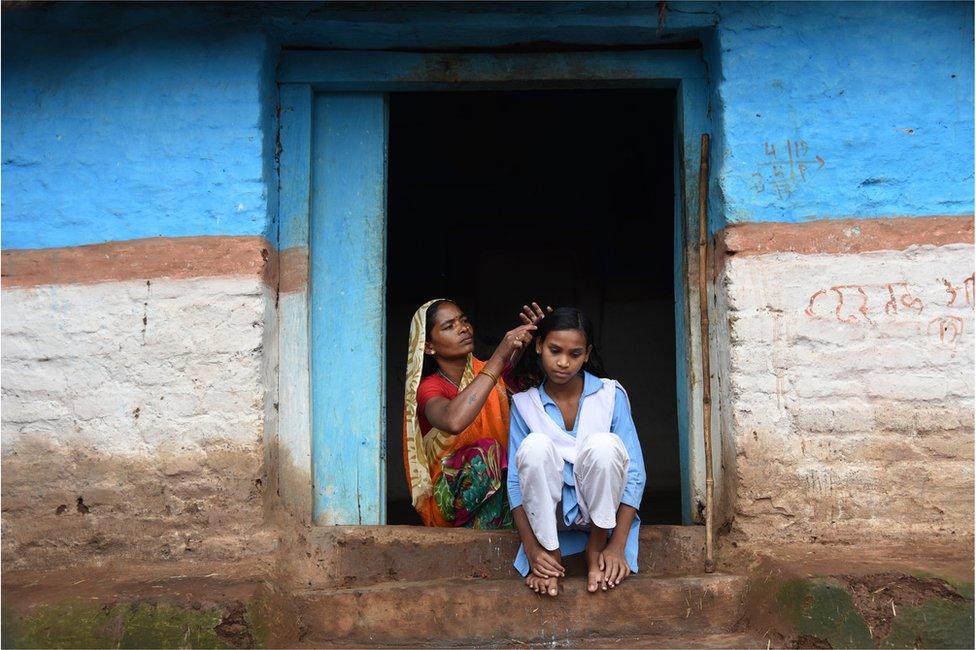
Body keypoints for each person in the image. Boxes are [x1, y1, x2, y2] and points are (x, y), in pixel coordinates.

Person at [507, 307, 646, 596]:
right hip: (549, 521)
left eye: (575, 354)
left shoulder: (610, 395)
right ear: (538, 345)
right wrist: (533, 549)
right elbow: (515, 483)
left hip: (603, 519)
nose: (562, 363)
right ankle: (552, 554)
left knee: (604, 447)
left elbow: (634, 473)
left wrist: (616, 545)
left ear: (587, 354)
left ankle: (594, 548)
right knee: (534, 448)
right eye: (554, 350)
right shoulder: (524, 404)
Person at [402, 299, 548, 528]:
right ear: (429, 346)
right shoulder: (430, 388)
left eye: (464, 321)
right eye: (449, 326)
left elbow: (503, 370)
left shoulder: (486, 372)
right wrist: (500, 356)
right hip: (449, 498)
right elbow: (453, 420)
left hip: (498, 491)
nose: (463, 328)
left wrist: (536, 334)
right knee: (487, 453)